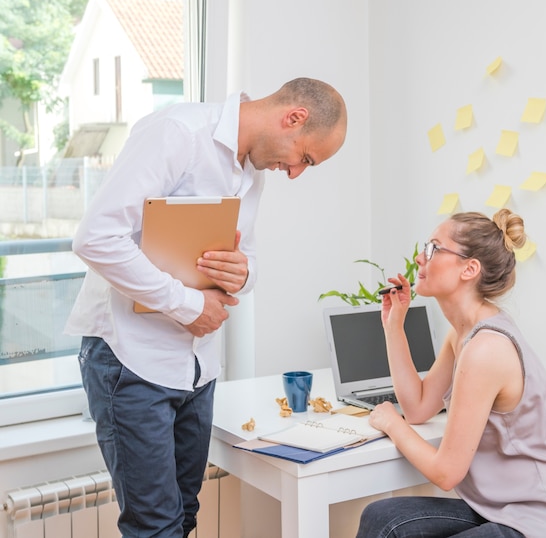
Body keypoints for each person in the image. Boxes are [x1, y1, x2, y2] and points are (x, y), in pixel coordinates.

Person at [64, 77, 347, 538]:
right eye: (306, 158)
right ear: (293, 119)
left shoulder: (251, 170)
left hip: (197, 368)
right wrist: (188, 304)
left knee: (185, 517)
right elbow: (95, 237)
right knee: (155, 527)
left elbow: (248, 260)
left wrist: (242, 273)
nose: (296, 173)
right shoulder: (177, 133)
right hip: (131, 362)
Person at [356, 209, 546, 538]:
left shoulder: (486, 348)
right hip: (505, 507)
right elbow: (417, 407)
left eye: (433, 248)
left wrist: (390, 423)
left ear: (469, 269)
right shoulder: (462, 333)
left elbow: (446, 473)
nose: (419, 257)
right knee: (381, 518)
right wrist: (394, 328)